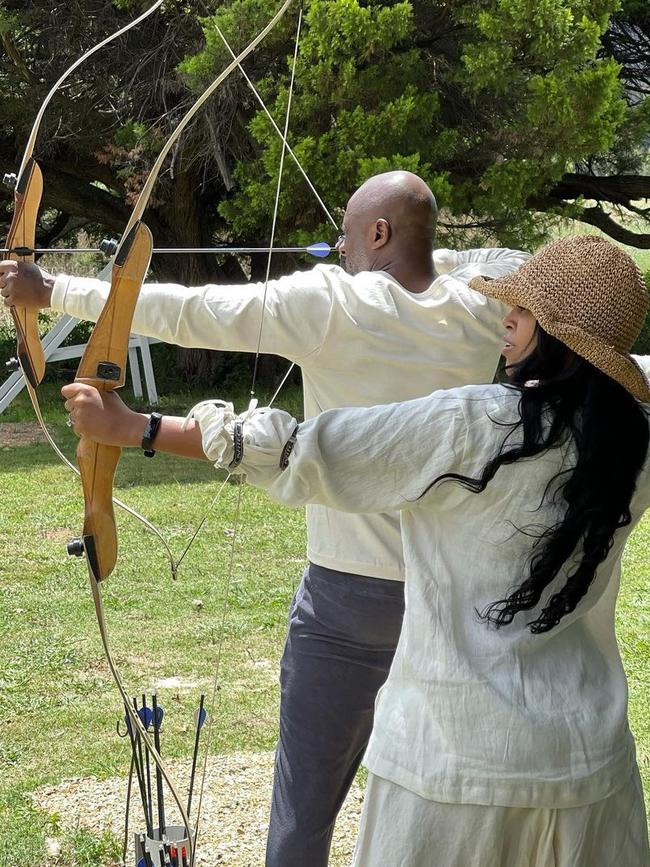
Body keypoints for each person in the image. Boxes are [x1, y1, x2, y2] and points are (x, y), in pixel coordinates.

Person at [57, 234, 650, 866]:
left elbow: (301, 450)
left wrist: (132, 428)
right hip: (591, 769)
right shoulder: (633, 439)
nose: (506, 317)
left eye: (527, 311)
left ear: (561, 339)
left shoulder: (472, 424)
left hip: (451, 768)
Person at [0, 171, 529, 866]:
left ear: (377, 233)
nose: (338, 249)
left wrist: (50, 291)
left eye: (348, 234)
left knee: (303, 816)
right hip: (453, 597)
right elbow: (515, 271)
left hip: (347, 601)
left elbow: (188, 311)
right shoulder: (481, 311)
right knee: (437, 810)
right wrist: (433, 258)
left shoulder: (333, 302)